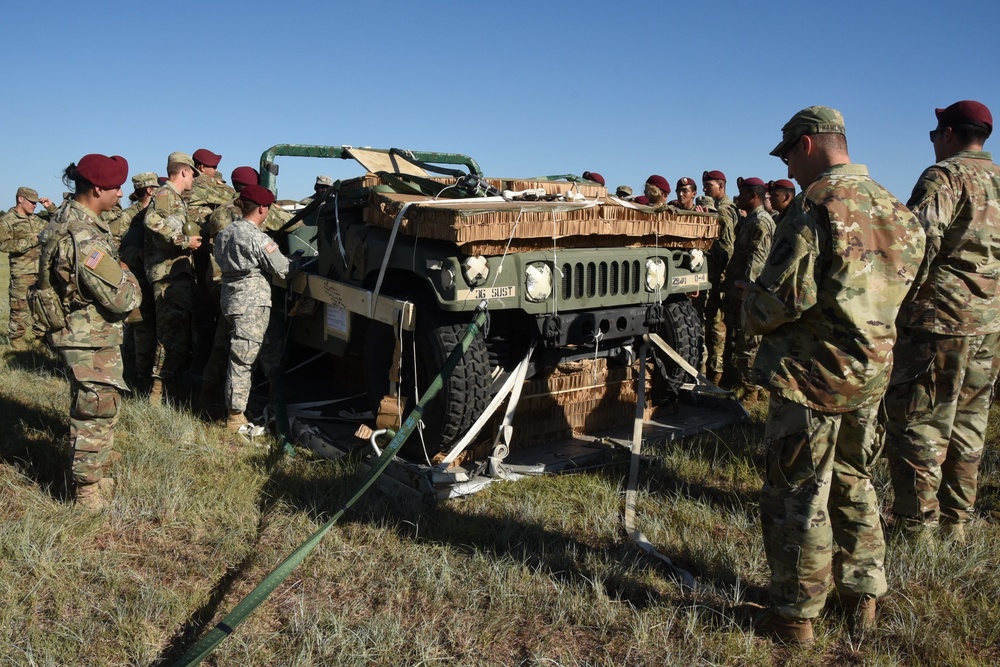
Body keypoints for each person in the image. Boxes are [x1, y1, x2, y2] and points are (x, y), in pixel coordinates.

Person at [741, 106, 925, 643]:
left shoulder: (815, 204)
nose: (789, 171)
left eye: (789, 157)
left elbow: (782, 297)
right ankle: (862, 595)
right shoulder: (896, 207)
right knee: (854, 481)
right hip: (870, 373)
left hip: (811, 377)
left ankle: (795, 617)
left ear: (807, 144)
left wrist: (748, 309)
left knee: (797, 491)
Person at [883, 100, 1000, 546]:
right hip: (987, 324)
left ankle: (917, 530)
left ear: (949, 134)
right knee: (971, 422)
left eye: (934, 135)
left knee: (920, 421)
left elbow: (921, 242)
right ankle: (957, 523)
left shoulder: (945, 177)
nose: (933, 143)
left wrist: (895, 300)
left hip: (939, 323)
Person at [36, 154, 142, 509]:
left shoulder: (65, 218)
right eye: (115, 187)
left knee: (96, 404)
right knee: (94, 410)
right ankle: (86, 493)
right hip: (89, 335)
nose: (120, 193)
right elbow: (122, 298)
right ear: (97, 188)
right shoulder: (84, 236)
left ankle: (95, 472)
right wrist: (126, 273)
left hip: (79, 332)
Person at [213, 184, 291, 432]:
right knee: (243, 359)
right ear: (262, 208)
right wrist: (297, 263)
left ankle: (272, 402)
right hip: (252, 303)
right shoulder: (256, 236)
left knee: (265, 349)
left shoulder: (225, 233)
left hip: (231, 299)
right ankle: (235, 416)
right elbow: (282, 268)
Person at [144, 152, 203, 404]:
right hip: (167, 274)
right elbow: (152, 221)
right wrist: (183, 241)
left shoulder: (176, 198)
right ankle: (156, 394)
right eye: (193, 174)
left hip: (175, 273)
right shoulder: (165, 195)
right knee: (170, 334)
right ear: (183, 172)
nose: (194, 180)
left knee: (178, 332)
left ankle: (169, 386)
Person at [725, 177, 775, 401]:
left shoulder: (760, 222)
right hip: (743, 290)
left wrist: (748, 288)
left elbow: (758, 258)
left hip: (750, 292)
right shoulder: (750, 220)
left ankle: (751, 393)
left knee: (748, 344)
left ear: (753, 197)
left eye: (742, 194)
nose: (738, 198)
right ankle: (759, 390)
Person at [116, 172, 160, 393]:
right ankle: (138, 377)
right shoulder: (128, 216)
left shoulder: (155, 214)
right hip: (136, 279)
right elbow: (116, 249)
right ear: (150, 190)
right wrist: (137, 256)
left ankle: (135, 371)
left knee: (146, 329)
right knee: (140, 330)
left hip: (152, 278)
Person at [0, 187, 56, 349]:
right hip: (22, 271)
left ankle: (40, 337)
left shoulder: (37, 219)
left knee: (42, 305)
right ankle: (17, 339)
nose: (34, 206)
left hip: (42, 270)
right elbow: (3, 244)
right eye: (31, 202)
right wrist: (32, 240)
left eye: (36, 202)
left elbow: (58, 220)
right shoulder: (7, 221)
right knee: (20, 308)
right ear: (20, 199)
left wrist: (50, 207)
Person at [702, 170, 737, 385]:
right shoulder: (721, 209)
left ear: (721, 186)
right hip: (717, 275)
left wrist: (722, 278)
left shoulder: (723, 211)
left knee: (717, 328)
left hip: (720, 277)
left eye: (709, 186)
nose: (706, 189)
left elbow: (726, 248)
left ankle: (716, 378)